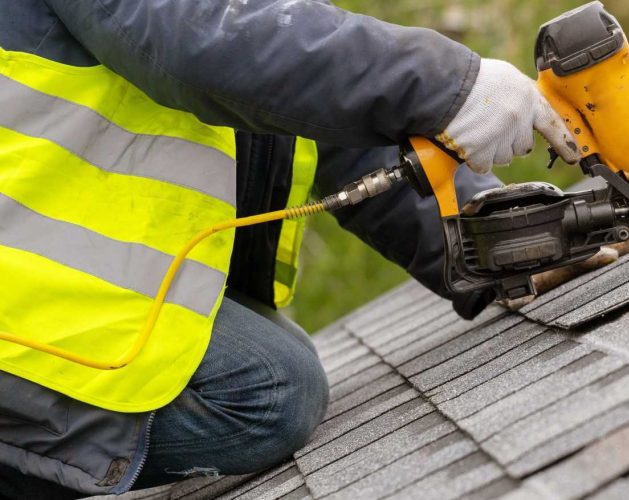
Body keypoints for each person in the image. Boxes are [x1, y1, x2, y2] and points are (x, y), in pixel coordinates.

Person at [0, 0, 584, 497]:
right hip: (19, 306)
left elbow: (313, 108)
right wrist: (443, 85)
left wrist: (493, 241)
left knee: (274, 365)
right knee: (268, 391)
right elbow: (202, 38)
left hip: (55, 281)